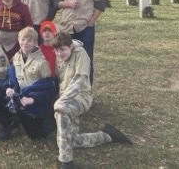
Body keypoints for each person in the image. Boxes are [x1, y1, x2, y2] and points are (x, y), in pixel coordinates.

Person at [52, 32, 132, 169]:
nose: (60, 53)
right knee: (71, 139)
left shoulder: (81, 53)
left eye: (63, 49)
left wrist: (61, 101)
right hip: (64, 99)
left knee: (61, 111)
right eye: (57, 50)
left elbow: (80, 81)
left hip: (81, 96)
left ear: (70, 47)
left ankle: (66, 161)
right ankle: (107, 135)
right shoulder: (58, 57)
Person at [0, 27, 55, 141]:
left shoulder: (42, 63)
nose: (25, 43)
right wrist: (8, 87)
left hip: (30, 100)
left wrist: (32, 99)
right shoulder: (16, 57)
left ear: (35, 42)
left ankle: (30, 121)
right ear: (18, 40)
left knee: (36, 136)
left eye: (29, 40)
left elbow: (48, 89)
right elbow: (9, 77)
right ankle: (8, 123)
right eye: (23, 39)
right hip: (17, 95)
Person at [55, 0, 106, 85]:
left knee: (86, 60)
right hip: (66, 26)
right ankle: (67, 90)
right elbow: (56, 3)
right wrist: (68, 4)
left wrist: (91, 22)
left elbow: (100, 4)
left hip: (85, 27)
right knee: (65, 59)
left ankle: (85, 92)